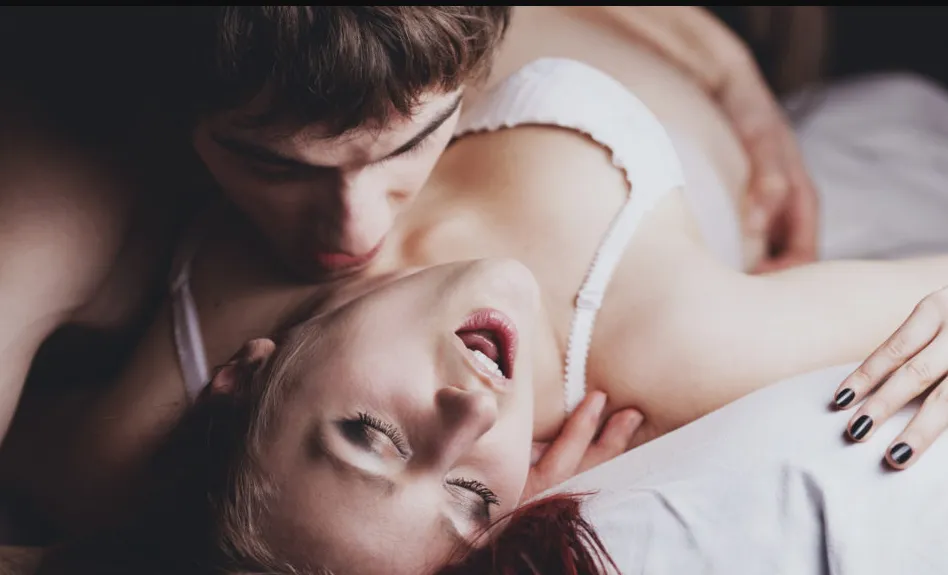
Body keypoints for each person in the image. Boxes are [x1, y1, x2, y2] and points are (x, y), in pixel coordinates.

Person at [0, 6, 816, 449]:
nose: (353, 229)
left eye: (412, 142)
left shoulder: (645, 316)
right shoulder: (59, 178)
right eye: (274, 165)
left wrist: (722, 60)